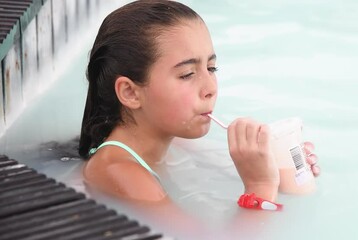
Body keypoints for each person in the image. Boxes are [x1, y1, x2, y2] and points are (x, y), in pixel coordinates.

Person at [79, 0, 319, 212]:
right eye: (187, 74)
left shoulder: (176, 142)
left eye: (211, 68)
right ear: (131, 92)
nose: (210, 88)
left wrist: (284, 167)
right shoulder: (117, 171)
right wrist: (260, 186)